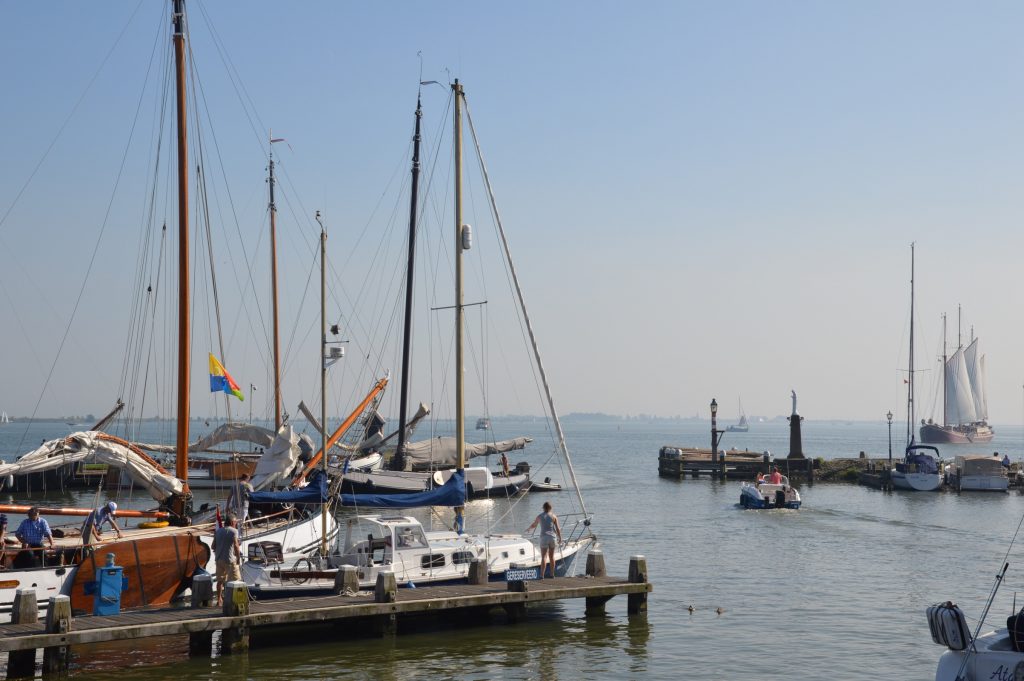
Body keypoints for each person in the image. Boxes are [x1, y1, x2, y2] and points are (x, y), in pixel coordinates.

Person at [526, 501, 562, 579]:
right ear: (550, 508)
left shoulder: (540, 516)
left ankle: (542, 575)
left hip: (544, 538)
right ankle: (552, 574)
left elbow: (534, 525)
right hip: (552, 537)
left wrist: (529, 528)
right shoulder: (554, 516)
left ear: (543, 508)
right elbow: (558, 528)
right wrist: (560, 538)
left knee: (544, 557)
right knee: (552, 556)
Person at [212, 514, 242, 606]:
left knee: (220, 581)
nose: (236, 523)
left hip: (219, 559)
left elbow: (213, 546)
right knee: (235, 580)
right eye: (236, 522)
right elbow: (236, 546)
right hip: (229, 560)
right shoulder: (234, 531)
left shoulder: (218, 531)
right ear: (233, 522)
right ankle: (233, 600)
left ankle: (219, 600)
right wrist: (238, 558)